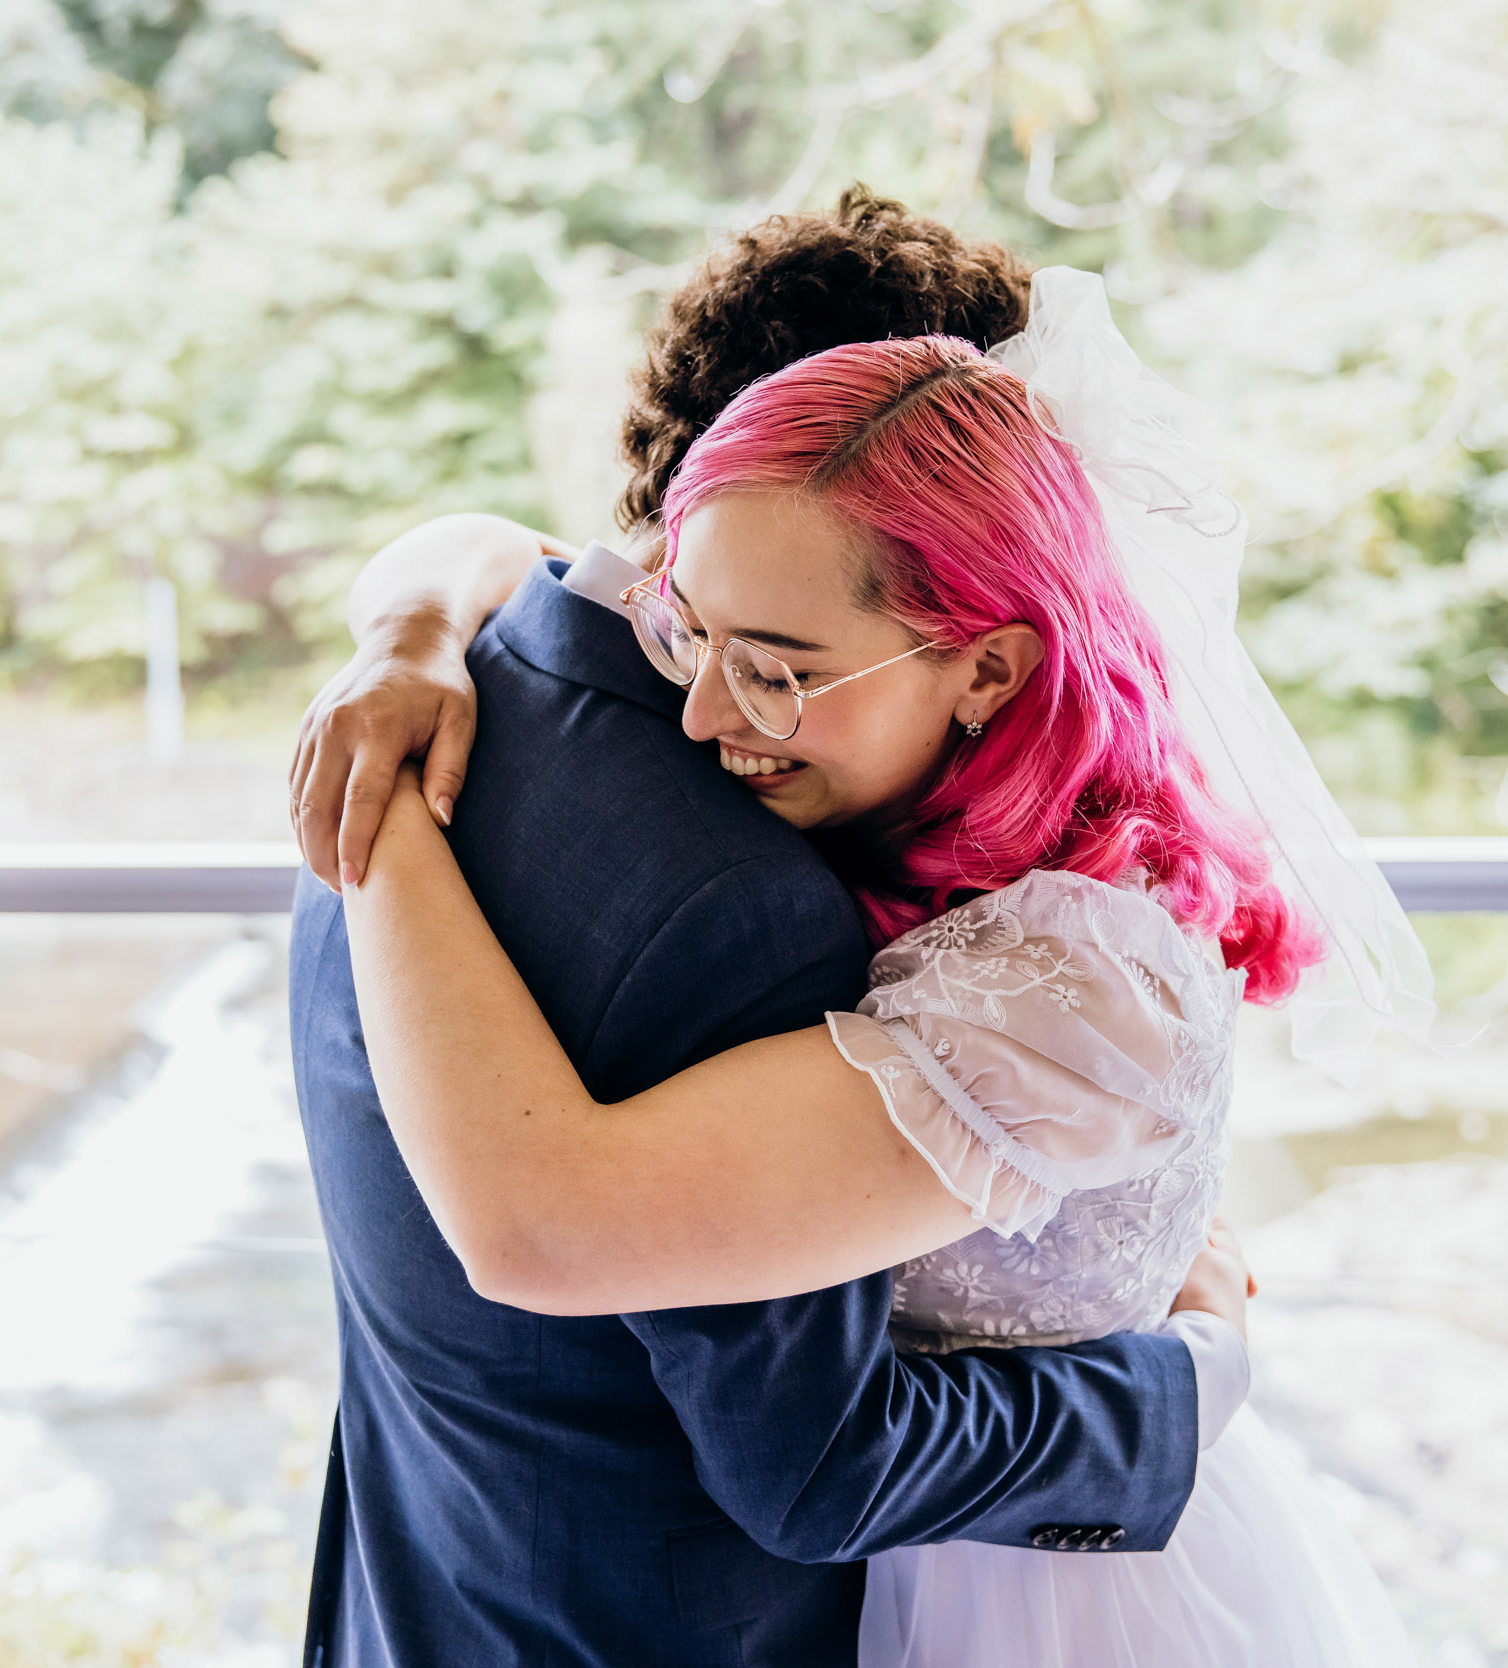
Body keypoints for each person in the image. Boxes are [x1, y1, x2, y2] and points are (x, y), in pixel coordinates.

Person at [339, 301, 1428, 1664]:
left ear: (986, 668)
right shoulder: (853, 772)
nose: (703, 717)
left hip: (1049, 1601)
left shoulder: (1078, 983)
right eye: (692, 631)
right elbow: (501, 551)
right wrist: (407, 630)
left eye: (778, 674)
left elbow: (537, 1229)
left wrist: (377, 827)